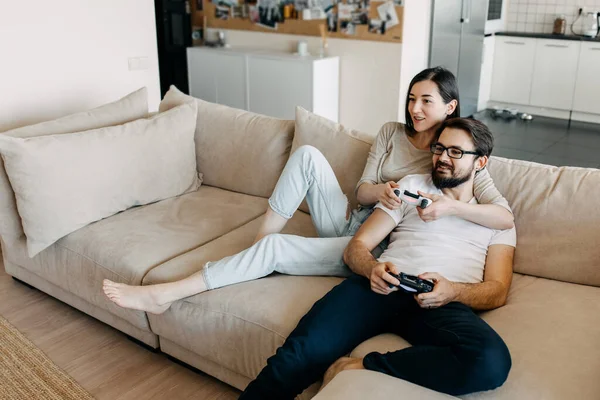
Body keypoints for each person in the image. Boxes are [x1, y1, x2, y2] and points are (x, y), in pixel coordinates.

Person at [102, 67, 513, 315]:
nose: (415, 109)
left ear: (450, 107)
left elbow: (499, 212)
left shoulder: (452, 155)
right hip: (352, 219)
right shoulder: (391, 133)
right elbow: (361, 189)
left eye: (426, 101)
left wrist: (444, 207)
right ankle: (261, 240)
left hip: (373, 247)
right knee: (309, 155)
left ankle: (165, 294)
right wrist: (384, 192)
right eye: (411, 99)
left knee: (280, 252)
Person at [239, 117, 517, 399]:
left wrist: (454, 291)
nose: (442, 158)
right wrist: (372, 268)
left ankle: (359, 366)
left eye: (455, 152)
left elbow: (497, 290)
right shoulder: (411, 187)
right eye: (439, 148)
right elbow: (356, 246)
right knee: (299, 354)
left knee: (491, 361)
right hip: (379, 287)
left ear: (480, 162)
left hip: (442, 301)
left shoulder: (497, 219)